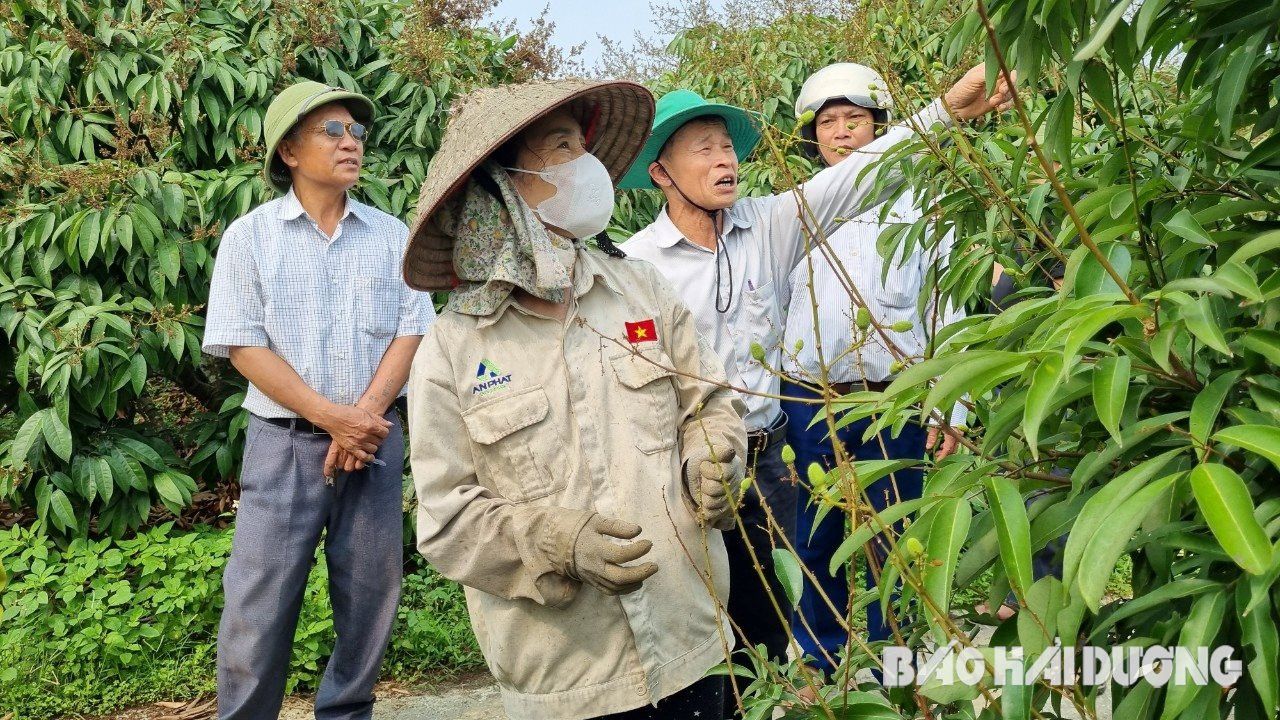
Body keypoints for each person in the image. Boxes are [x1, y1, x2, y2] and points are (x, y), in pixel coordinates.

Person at [617, 64, 1013, 676]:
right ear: (662, 174)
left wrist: (945, 111)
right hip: (692, 456)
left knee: (791, 582)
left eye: (727, 146)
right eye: (704, 149)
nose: (725, 159)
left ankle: (864, 668)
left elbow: (854, 182)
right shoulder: (636, 264)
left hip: (774, 449)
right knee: (707, 598)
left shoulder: (768, 225)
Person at [403, 79, 748, 720]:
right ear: (502, 186)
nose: (587, 164)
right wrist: (555, 540)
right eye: (561, 146)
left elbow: (709, 403)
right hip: (568, 678)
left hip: (692, 641)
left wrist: (716, 454)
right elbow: (447, 519)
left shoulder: (640, 289)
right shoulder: (453, 349)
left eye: (581, 144)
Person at [203, 80, 435, 719]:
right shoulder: (250, 238)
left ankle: (346, 713)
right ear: (289, 153)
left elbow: (413, 329)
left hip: (376, 445)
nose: (351, 143)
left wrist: (362, 423)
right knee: (257, 606)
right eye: (332, 131)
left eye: (356, 132)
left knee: (369, 601)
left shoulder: (393, 237)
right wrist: (336, 420)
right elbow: (242, 346)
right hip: (282, 445)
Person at [778, 62, 969, 671]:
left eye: (854, 120)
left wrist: (949, 405)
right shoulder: (794, 212)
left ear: (881, 127)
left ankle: (898, 658)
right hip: (810, 398)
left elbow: (948, 306)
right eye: (828, 123)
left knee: (899, 532)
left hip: (895, 396)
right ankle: (820, 659)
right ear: (813, 138)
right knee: (816, 533)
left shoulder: (924, 205)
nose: (841, 133)